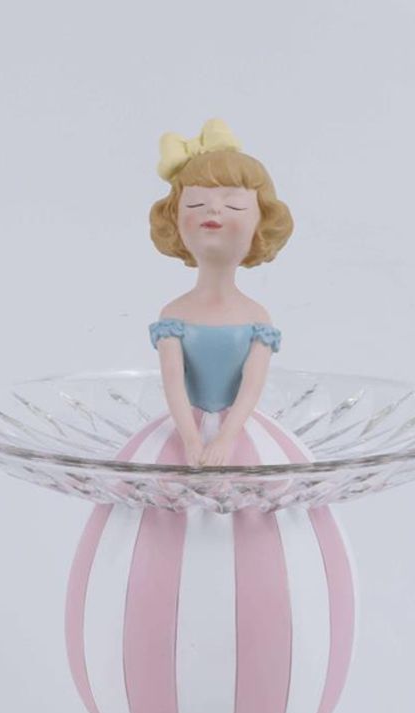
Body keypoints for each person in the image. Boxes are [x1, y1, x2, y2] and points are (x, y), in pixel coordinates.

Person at [141, 118, 301, 469]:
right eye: (196, 204)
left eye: (234, 206)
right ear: (175, 220)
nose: (213, 210)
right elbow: (173, 384)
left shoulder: (257, 318)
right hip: (182, 435)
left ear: (261, 224)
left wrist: (226, 437)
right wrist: (190, 439)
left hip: (240, 434)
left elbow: (251, 387)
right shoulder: (173, 315)